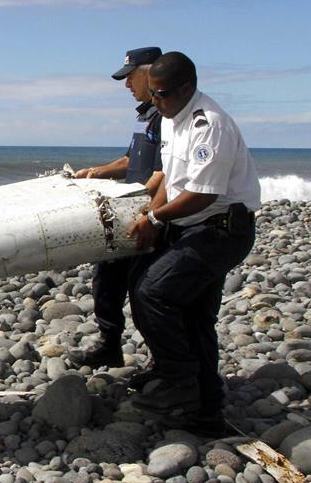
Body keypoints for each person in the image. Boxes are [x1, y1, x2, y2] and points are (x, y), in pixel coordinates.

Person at [127, 52, 260, 434]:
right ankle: (206, 412)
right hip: (192, 226)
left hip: (221, 230)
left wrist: (154, 218)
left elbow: (202, 194)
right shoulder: (171, 117)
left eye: (162, 94)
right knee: (191, 314)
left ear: (188, 88)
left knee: (154, 293)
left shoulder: (209, 125)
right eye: (152, 94)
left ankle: (179, 382)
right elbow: (171, 177)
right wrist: (153, 217)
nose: (155, 102)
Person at [69, 46, 164, 370]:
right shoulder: (144, 116)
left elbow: (165, 174)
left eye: (130, 77)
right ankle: (110, 344)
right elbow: (128, 161)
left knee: (145, 292)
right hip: (130, 210)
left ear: (150, 74)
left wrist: (145, 212)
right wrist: (95, 172)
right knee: (106, 278)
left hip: (150, 215)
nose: (126, 85)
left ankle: (162, 362)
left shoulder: (167, 117)